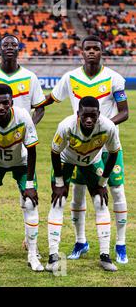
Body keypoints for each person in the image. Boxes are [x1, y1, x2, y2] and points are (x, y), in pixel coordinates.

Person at [44, 35, 129, 264]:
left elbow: (125, 112)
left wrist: (101, 127)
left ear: (102, 52)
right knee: (78, 194)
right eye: (88, 48)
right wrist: (34, 105)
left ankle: (120, 244)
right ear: (81, 52)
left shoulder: (114, 78)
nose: (92, 52)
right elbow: (51, 98)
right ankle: (81, 242)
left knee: (116, 192)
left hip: (107, 145)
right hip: (77, 145)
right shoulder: (70, 77)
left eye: (96, 49)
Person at [0, 34, 46, 257]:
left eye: (14, 44)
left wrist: (25, 130)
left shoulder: (30, 77)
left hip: (21, 148)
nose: (10, 48)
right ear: (0, 48)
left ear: (19, 48)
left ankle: (29, 242)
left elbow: (40, 108)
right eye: (6, 45)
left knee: (29, 200)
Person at [47, 96, 120, 272]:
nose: (89, 119)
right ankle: (53, 257)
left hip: (91, 162)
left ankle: (105, 256)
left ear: (99, 114)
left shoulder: (108, 127)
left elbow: (113, 153)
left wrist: (103, 183)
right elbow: (55, 152)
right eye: (85, 115)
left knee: (100, 201)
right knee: (59, 201)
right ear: (78, 113)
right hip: (66, 160)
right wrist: (58, 182)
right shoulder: (66, 125)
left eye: (93, 116)